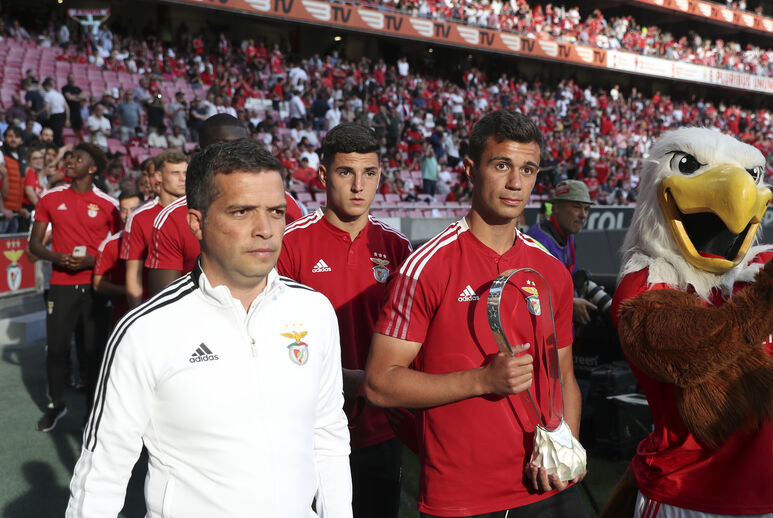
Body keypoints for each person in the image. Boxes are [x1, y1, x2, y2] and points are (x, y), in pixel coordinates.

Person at [66, 139, 352, 517]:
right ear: (196, 223)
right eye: (241, 212)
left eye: (276, 211)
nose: (265, 229)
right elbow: (102, 471)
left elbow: (328, 436)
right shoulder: (146, 330)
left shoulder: (314, 311)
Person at [365, 110, 590, 517]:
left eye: (528, 169)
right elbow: (381, 384)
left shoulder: (553, 271)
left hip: (549, 488)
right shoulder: (426, 267)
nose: (516, 183)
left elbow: (564, 374)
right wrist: (481, 380)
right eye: (502, 165)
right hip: (463, 499)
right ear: (471, 169)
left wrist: (565, 444)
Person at [276, 123, 412, 518]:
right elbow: (271, 338)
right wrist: (338, 379)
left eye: (369, 173)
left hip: (379, 427)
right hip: (306, 429)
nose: (358, 186)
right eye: (345, 172)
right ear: (322, 175)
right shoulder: (289, 243)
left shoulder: (397, 248)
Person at [146, 115, 300, 295]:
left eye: (275, 212)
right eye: (222, 146)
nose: (235, 152)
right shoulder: (171, 219)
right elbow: (165, 297)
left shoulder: (287, 204)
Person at [29, 143, 120, 431]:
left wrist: (92, 262)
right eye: (69, 157)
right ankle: (56, 405)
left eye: (77, 159)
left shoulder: (109, 204)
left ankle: (92, 413)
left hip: (94, 287)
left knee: (92, 353)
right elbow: (34, 245)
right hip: (60, 285)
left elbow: (117, 250)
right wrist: (59, 258)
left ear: (92, 168)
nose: (69, 161)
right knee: (55, 349)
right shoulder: (50, 198)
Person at [122, 151, 187, 309]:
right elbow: (133, 273)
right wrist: (137, 315)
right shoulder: (139, 218)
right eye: (175, 173)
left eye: (185, 173)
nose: (182, 178)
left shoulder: (199, 210)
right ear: (158, 176)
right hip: (154, 306)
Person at [525, 180, 596, 324]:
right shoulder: (538, 241)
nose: (583, 215)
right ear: (556, 208)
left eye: (586, 209)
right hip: (544, 335)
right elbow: (529, 293)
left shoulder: (567, 236)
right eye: (577, 207)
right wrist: (571, 303)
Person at [93, 189, 141, 342]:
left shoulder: (159, 237)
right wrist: (127, 290)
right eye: (124, 210)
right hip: (123, 320)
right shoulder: (109, 245)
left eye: (133, 210)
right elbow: (98, 284)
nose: (128, 215)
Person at [41, 78, 69, 147]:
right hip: (62, 116)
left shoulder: (48, 95)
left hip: (54, 117)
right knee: (58, 135)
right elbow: (67, 108)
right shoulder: (59, 95)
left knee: (52, 135)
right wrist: (67, 119)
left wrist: (39, 114)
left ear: (46, 86)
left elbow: (46, 108)